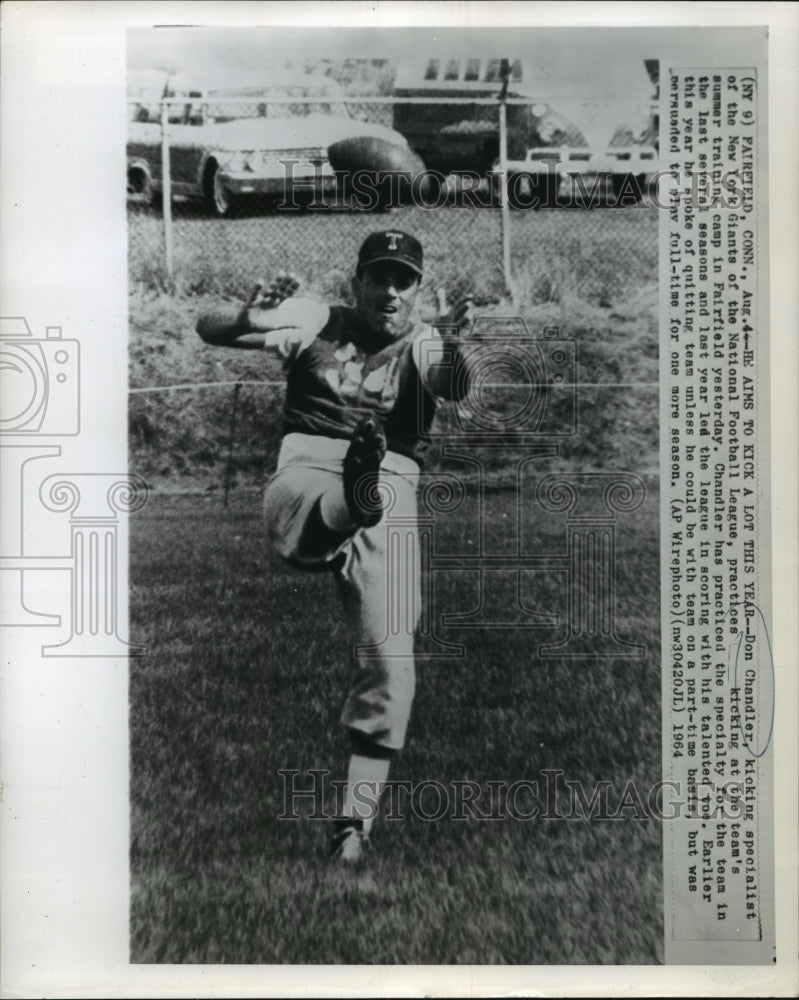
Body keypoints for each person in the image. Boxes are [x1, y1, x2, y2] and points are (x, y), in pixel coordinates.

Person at [197, 230, 473, 863]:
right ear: (359, 283)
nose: (391, 290)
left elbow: (454, 387)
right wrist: (251, 312)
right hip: (308, 470)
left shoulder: (427, 342)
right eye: (380, 276)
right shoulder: (319, 317)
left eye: (403, 280)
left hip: (391, 487)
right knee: (317, 513)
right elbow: (208, 327)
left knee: (391, 664)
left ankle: (353, 828)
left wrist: (454, 342)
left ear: (417, 290)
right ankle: (354, 495)